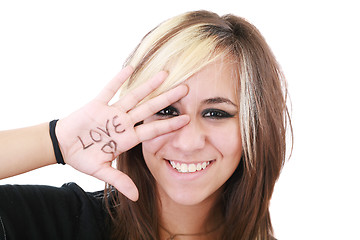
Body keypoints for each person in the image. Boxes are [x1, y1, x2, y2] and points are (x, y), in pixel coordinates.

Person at [0, 10, 291, 240]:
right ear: (138, 118)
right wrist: (55, 142)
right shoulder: (65, 223)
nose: (188, 142)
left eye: (215, 113)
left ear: (256, 127)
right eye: (166, 110)